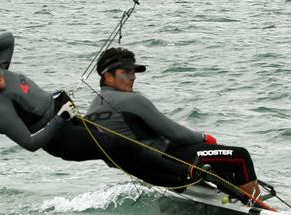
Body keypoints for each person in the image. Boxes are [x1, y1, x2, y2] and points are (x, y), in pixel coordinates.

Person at [85, 47, 263, 200]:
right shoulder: (130, 100)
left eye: (133, 72)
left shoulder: (92, 110)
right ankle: (255, 209)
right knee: (239, 156)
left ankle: (232, 200)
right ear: (108, 76)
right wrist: (204, 138)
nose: (133, 77)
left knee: (213, 160)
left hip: (148, 170)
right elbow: (176, 134)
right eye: (126, 72)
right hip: (169, 162)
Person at [0, 31, 123, 163]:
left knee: (114, 149)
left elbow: (8, 39)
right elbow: (30, 143)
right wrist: (61, 118)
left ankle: (142, 175)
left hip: (65, 117)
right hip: (60, 137)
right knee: (115, 145)